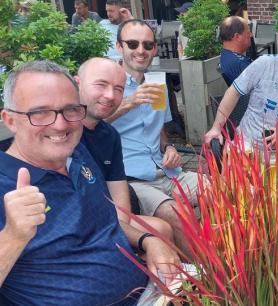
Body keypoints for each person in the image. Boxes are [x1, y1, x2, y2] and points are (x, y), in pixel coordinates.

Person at [0, 60, 177, 304]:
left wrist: (149, 241)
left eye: (70, 109)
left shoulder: (79, 155)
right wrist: (13, 236)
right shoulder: (5, 184)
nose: (60, 124)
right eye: (39, 112)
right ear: (10, 120)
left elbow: (109, 223)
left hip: (148, 293)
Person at [107, 19, 200, 256]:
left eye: (147, 45)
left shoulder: (157, 83)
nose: (141, 50)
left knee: (222, 192)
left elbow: (160, 130)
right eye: (132, 43)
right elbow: (91, 123)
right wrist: (129, 102)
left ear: (154, 50)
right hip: (133, 180)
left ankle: (232, 254)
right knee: (175, 214)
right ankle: (209, 277)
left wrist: (169, 149)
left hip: (167, 172)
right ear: (119, 47)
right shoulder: (110, 86)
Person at [76, 57, 175, 241]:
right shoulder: (62, 132)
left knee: (162, 230)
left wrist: (143, 240)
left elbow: (121, 209)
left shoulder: (109, 135)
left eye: (118, 89)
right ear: (77, 84)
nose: (110, 95)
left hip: (106, 215)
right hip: (71, 225)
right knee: (168, 219)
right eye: (101, 85)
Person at [218, 16, 253, 86]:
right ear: (237, 36)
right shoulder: (240, 63)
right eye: (248, 33)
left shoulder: (226, 55)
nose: (251, 35)